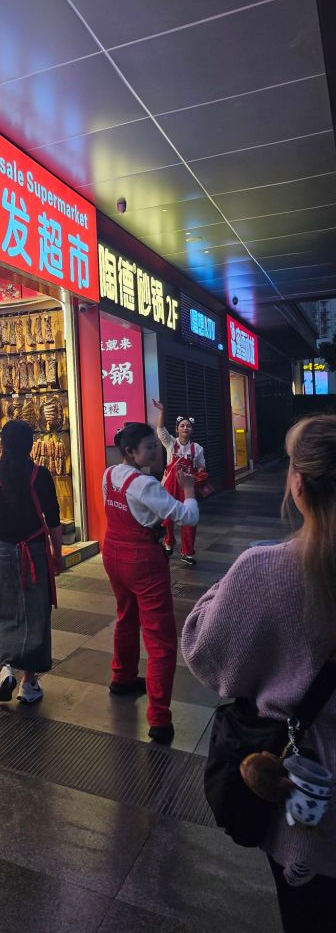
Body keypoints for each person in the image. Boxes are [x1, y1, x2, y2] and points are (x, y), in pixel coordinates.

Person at [182, 415, 336, 932]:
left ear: (299, 485)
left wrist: (227, 584)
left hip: (307, 804)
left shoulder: (264, 570)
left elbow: (203, 649)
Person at [102, 422, 198, 744]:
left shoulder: (108, 475)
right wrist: (188, 490)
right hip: (143, 560)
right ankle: (159, 718)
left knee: (126, 618)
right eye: (149, 447)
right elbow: (187, 516)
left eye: (155, 446)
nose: (155, 452)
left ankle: (122, 677)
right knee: (160, 640)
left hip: (113, 554)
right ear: (130, 451)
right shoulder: (144, 484)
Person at [0, 419, 64, 705]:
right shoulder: (40, 475)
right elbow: (53, 519)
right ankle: (29, 681)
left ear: (2, 444)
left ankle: (5, 667)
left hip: (0, 549)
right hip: (34, 549)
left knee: (4, 608)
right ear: (30, 445)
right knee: (35, 611)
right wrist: (57, 552)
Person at [152, 399, 206, 566]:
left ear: (191, 429)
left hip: (187, 487)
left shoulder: (197, 448)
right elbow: (160, 429)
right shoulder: (170, 443)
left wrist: (200, 473)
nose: (185, 428)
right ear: (177, 429)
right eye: (182, 426)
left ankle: (187, 552)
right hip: (170, 485)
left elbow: (201, 466)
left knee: (189, 519)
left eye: (188, 426)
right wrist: (162, 411)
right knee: (167, 517)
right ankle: (168, 541)